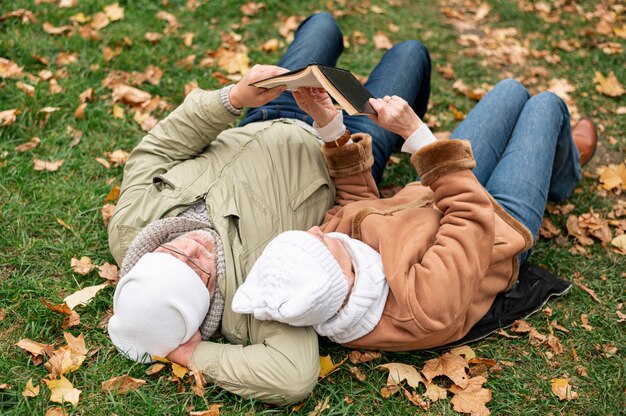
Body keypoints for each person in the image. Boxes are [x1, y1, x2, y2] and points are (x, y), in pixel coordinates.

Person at [106, 13, 431, 405]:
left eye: (174, 253)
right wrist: (188, 354)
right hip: (340, 150)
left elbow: (158, 149)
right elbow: (293, 376)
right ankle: (395, 135)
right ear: (207, 300)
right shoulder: (251, 305)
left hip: (264, 112)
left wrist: (234, 98)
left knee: (322, 25)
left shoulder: (130, 230)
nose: (194, 246)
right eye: (200, 269)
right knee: (411, 55)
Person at [232, 78, 598, 351]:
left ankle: (547, 154)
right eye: (321, 242)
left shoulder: (334, 267)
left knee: (511, 90)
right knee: (545, 105)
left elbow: (355, 205)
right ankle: (563, 170)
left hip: (436, 191)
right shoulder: (421, 308)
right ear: (345, 276)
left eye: (309, 235)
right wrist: (415, 134)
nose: (317, 229)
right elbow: (470, 215)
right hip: (496, 222)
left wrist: (328, 124)